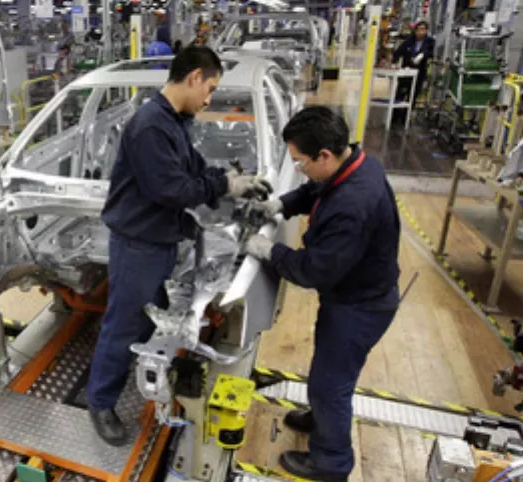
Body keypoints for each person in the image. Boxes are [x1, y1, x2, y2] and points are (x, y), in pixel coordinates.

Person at [86, 45, 272, 446]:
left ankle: (138, 371)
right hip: (139, 244)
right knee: (125, 323)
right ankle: (100, 402)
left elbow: (191, 168)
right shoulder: (151, 125)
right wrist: (223, 186)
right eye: (210, 88)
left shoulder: (174, 121)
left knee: (149, 316)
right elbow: (171, 189)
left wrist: (231, 179)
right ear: (193, 78)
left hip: (161, 239)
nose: (209, 98)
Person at [244, 107, 400, 481]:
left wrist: (269, 251)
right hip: (356, 294)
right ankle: (322, 419)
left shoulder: (352, 206)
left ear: (325, 155)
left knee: (331, 385)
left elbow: (314, 270)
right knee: (329, 372)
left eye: (300, 162)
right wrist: (280, 205)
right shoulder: (357, 164)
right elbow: (316, 187)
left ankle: (331, 463)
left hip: (360, 305)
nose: (299, 168)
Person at [392, 20, 435, 107]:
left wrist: (422, 55)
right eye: (418, 30)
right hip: (406, 72)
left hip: (419, 73)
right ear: (415, 31)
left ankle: (406, 116)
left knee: (412, 96)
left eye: (423, 29)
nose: (420, 32)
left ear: (426, 31)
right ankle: (395, 116)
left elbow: (430, 52)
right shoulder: (409, 40)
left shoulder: (430, 41)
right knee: (400, 94)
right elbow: (398, 52)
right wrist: (394, 62)